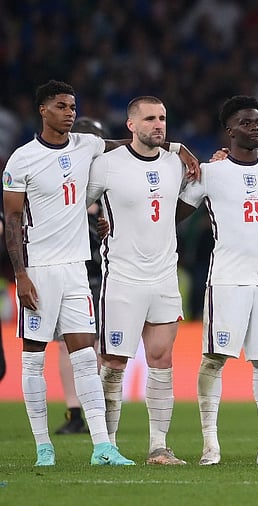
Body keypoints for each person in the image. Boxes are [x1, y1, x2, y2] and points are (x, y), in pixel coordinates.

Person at [3, 80, 130, 466]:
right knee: (34, 360)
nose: (70, 112)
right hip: (39, 271)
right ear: (43, 110)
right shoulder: (21, 160)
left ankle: (102, 447)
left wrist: (178, 149)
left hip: (76, 270)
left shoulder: (85, 145)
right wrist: (20, 275)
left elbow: (128, 149)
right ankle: (44, 447)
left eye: (73, 106)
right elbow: (10, 221)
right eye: (62, 106)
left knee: (84, 357)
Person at [178, 95, 258, 465]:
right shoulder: (210, 172)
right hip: (227, 280)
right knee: (214, 359)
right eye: (247, 123)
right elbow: (173, 215)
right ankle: (210, 445)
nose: (256, 128)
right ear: (230, 130)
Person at [85, 96, 188, 465]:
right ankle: (106, 445)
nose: (158, 124)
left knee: (162, 360)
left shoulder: (176, 163)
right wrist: (96, 226)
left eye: (162, 117)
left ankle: (158, 446)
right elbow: (79, 205)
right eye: (149, 118)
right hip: (123, 280)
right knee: (113, 363)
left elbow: (202, 187)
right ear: (131, 125)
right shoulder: (107, 166)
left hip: (163, 278)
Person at [53, 117, 106, 435]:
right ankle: (76, 412)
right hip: (70, 271)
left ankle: (92, 410)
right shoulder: (61, 182)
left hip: (103, 275)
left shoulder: (110, 183)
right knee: (66, 344)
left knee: (95, 346)